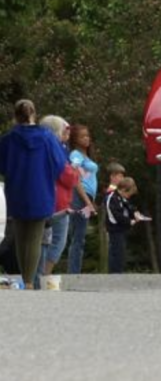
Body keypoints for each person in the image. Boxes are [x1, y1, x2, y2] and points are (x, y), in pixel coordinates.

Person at [0, 100, 68, 289]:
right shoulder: (47, 137)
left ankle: (26, 279)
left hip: (17, 189)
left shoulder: (8, 138)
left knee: (21, 237)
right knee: (36, 238)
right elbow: (59, 164)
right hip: (41, 189)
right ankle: (29, 281)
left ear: (15, 115)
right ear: (34, 114)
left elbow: (2, 165)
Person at [36, 115, 78, 285]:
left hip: (48, 199)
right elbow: (67, 176)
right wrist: (75, 173)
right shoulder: (56, 150)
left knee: (44, 240)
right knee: (57, 241)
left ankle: (39, 275)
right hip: (57, 202)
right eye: (64, 132)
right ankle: (44, 275)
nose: (66, 136)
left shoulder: (43, 148)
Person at [66, 124, 99, 274]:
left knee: (79, 236)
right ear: (75, 139)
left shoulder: (85, 155)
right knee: (78, 236)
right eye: (82, 136)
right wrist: (87, 202)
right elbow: (75, 178)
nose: (86, 138)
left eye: (87, 135)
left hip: (86, 197)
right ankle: (73, 273)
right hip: (79, 198)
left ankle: (74, 271)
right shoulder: (76, 155)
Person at [105, 177, 148, 274]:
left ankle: (118, 272)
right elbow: (116, 215)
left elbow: (129, 206)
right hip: (115, 229)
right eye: (128, 195)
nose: (128, 197)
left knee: (121, 252)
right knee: (117, 253)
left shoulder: (121, 197)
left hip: (122, 229)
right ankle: (115, 274)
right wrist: (129, 221)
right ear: (124, 190)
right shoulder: (112, 198)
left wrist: (135, 213)